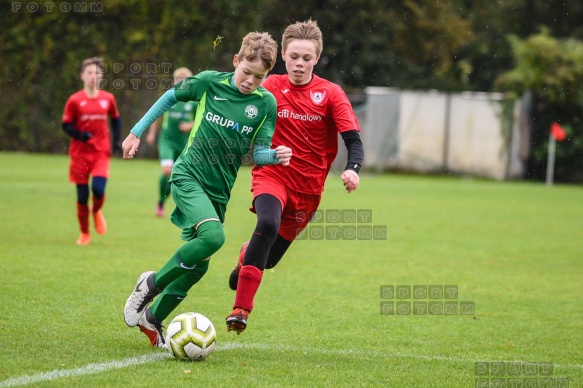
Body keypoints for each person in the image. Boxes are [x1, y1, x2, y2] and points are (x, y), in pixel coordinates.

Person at [121, 31, 293, 347]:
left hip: (219, 191)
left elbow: (258, 153)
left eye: (259, 77)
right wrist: (135, 132)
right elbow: (170, 97)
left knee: (198, 266)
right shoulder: (209, 82)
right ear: (235, 61)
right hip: (188, 175)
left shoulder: (266, 103)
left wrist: (276, 156)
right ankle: (150, 284)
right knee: (214, 237)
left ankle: (153, 319)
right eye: (246, 72)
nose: (250, 82)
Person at [226, 19, 364, 334]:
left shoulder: (331, 94)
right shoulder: (269, 85)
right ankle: (240, 310)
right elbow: (233, 93)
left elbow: (353, 140)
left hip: (308, 191)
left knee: (268, 260)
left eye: (306, 58)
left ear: (316, 59)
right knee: (268, 223)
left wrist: (352, 170)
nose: (299, 64)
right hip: (272, 174)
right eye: (293, 57)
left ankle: (246, 257)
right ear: (283, 56)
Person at [61, 56, 121, 246]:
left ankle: (96, 211)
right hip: (79, 154)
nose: (93, 76)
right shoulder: (75, 100)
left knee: (98, 188)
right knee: (82, 196)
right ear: (82, 76)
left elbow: (116, 119)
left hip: (101, 153)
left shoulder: (108, 98)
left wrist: (117, 141)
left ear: (101, 76)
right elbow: (66, 124)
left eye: (97, 72)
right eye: (89, 72)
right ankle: (85, 232)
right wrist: (80, 135)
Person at [145, 67, 196, 217]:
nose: (181, 81)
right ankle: (161, 202)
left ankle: (175, 204)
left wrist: (190, 125)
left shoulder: (193, 100)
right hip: (167, 140)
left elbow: (204, 116)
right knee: (168, 170)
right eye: (178, 78)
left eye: (184, 79)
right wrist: (152, 133)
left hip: (184, 142)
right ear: (174, 81)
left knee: (178, 175)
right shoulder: (169, 97)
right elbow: (157, 116)